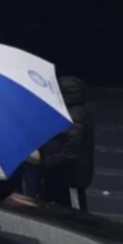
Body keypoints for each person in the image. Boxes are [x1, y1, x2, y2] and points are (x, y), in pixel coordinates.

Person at [37, 76, 94, 211]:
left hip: (70, 179)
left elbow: (71, 150)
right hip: (67, 178)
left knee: (77, 215)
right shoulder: (76, 113)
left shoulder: (73, 117)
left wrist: (46, 161)